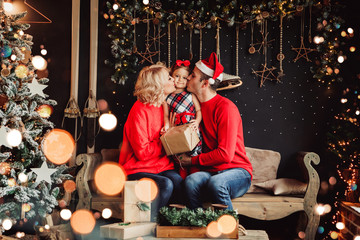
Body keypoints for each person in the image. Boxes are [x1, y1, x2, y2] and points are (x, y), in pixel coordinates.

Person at [178, 52, 253, 210]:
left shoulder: (225, 108)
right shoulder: (193, 106)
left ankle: (229, 228)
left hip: (237, 172)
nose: (188, 78)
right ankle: (198, 225)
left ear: (204, 84)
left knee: (217, 183)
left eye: (192, 76)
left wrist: (191, 161)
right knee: (191, 181)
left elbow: (225, 154)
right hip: (211, 171)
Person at [119, 64, 183, 219]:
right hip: (136, 169)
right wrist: (165, 140)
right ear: (159, 84)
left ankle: (171, 223)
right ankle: (149, 224)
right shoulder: (139, 110)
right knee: (165, 185)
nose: (173, 80)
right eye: (168, 78)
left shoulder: (163, 106)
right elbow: (142, 153)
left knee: (180, 182)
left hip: (159, 166)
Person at [162, 59, 202, 179]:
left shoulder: (191, 95)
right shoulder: (167, 97)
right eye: (177, 76)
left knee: (192, 154)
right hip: (176, 129)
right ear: (171, 76)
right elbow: (165, 114)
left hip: (190, 127)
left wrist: (197, 121)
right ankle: (182, 184)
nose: (180, 79)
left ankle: (194, 181)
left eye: (184, 77)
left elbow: (198, 110)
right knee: (179, 158)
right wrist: (167, 126)